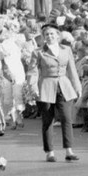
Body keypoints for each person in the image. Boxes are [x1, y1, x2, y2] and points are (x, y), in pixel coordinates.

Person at [35, 21, 81, 162]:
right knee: (48, 120)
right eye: (47, 34)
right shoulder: (38, 52)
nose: (50, 36)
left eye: (52, 34)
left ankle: (69, 150)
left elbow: (72, 70)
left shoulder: (66, 50)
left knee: (67, 118)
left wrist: (77, 87)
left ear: (58, 35)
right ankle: (50, 152)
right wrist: (33, 88)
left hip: (64, 85)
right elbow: (33, 72)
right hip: (46, 86)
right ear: (43, 37)